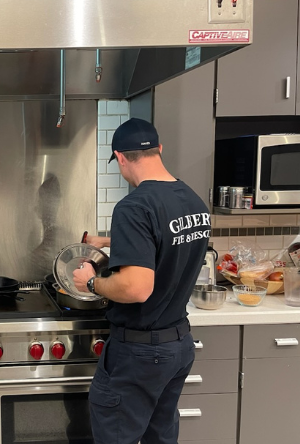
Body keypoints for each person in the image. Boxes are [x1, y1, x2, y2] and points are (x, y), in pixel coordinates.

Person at [73, 118, 211, 444]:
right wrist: (106, 242)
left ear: (120, 157)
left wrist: (91, 282)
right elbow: (164, 241)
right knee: (159, 438)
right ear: (159, 150)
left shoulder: (133, 207)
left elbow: (136, 288)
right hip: (177, 346)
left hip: (140, 353)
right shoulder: (192, 201)